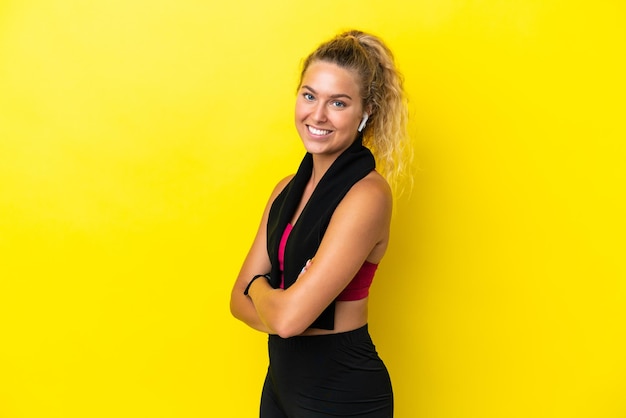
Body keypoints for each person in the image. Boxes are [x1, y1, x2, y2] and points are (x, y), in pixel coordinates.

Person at [230, 29, 410, 418]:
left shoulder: (366, 196)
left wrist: (261, 287)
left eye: (338, 103)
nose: (318, 115)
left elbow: (289, 319)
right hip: (279, 383)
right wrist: (283, 303)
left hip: (341, 392)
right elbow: (235, 302)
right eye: (309, 95)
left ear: (364, 114)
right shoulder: (285, 191)